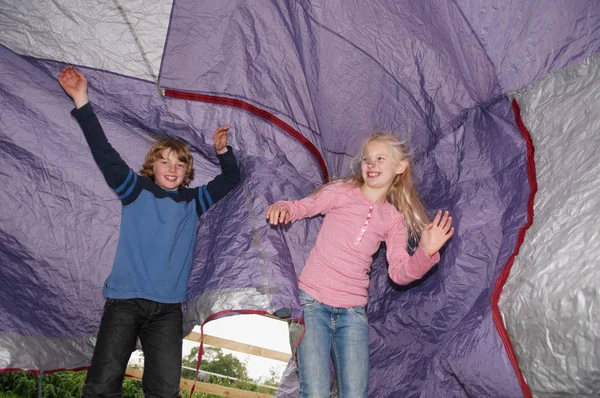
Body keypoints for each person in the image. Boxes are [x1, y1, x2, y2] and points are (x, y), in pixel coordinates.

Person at [58, 65, 241, 398]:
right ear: (151, 166)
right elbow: (105, 153)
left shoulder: (193, 201)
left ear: (187, 171)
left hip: (168, 311)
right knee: (102, 384)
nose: (172, 169)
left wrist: (222, 152)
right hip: (125, 301)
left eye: (180, 163)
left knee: (164, 390)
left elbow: (230, 180)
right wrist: (81, 99)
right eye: (165, 161)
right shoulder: (135, 190)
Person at [266, 132, 454, 397]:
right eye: (367, 159)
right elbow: (305, 205)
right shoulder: (342, 192)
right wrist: (283, 206)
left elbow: (399, 273)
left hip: (352, 315)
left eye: (380, 158)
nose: (371, 164)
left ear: (400, 167)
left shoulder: (393, 219)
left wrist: (425, 252)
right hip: (312, 305)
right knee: (316, 391)